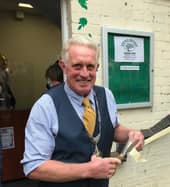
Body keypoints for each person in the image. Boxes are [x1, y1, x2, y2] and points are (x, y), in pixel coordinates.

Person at [21, 36, 144, 187]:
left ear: (97, 67)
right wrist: (88, 170)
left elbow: (113, 128)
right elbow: (34, 167)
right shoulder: (46, 105)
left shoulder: (106, 95)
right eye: (77, 66)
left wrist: (130, 134)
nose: (85, 74)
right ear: (63, 66)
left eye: (90, 67)